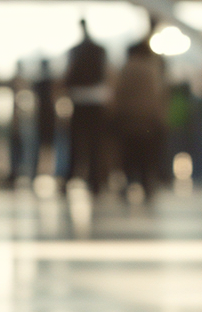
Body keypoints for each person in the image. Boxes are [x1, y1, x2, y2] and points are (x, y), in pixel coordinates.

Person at [111, 40, 168, 201]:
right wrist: (160, 118)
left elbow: (118, 94)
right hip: (147, 120)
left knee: (128, 156)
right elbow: (157, 96)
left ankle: (128, 185)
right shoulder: (151, 69)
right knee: (146, 157)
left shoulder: (125, 69)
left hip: (128, 119)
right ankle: (147, 186)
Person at [62, 19, 110, 194]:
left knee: (76, 143)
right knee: (95, 144)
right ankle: (95, 180)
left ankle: (71, 178)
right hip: (96, 100)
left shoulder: (76, 51)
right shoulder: (100, 50)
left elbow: (68, 76)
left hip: (79, 100)